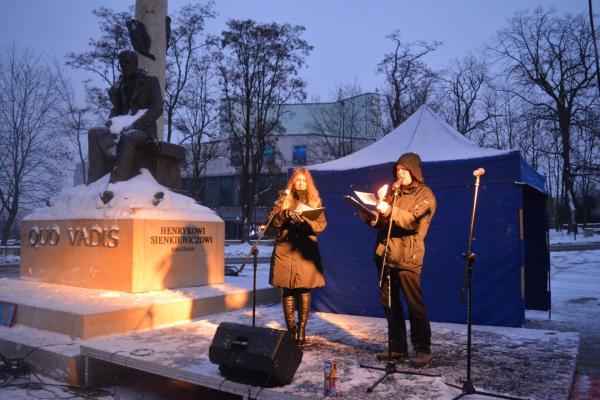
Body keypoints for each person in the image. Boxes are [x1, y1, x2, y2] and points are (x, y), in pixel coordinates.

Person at [360, 152, 436, 368]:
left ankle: (423, 349)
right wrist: (371, 212)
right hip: (386, 255)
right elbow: (382, 223)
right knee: (390, 304)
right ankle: (398, 347)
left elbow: (412, 222)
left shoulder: (426, 195)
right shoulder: (393, 193)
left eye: (403, 170)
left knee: (415, 305)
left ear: (413, 171)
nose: (399, 174)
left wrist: (390, 210)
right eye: (397, 171)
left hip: (407, 256)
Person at [87, 50, 163, 202]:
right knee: (94, 133)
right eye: (122, 63)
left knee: (129, 136)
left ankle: (115, 183)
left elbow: (157, 109)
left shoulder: (150, 81)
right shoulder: (119, 86)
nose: (124, 66)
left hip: (143, 131)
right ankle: (93, 181)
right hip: (121, 128)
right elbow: (116, 110)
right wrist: (111, 122)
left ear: (135, 63)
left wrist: (133, 124)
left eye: (127, 62)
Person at [267, 168, 327, 346]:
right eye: (297, 180)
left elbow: (321, 226)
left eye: (303, 180)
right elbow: (271, 223)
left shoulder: (314, 200)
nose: (300, 183)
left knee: (303, 289)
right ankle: (291, 331)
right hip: (285, 248)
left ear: (308, 182)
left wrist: (305, 220)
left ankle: (301, 331)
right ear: (292, 181)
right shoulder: (283, 198)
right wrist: (285, 214)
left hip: (305, 250)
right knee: (287, 289)